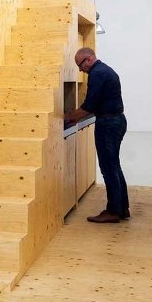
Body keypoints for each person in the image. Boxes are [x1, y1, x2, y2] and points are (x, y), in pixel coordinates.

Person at [66, 48, 129, 223]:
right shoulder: (105, 70)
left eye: (80, 65)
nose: (80, 70)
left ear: (88, 59)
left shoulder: (97, 74)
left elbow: (89, 106)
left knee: (108, 168)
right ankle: (122, 208)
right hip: (116, 121)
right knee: (114, 166)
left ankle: (113, 211)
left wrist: (67, 117)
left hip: (108, 124)